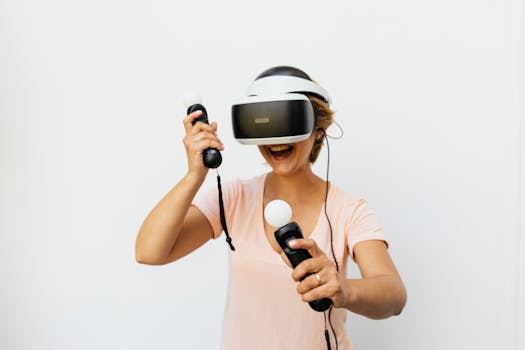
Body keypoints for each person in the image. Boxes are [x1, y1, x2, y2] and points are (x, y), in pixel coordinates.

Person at [135, 67, 407, 350]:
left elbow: (394, 295)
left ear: (318, 130)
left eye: (287, 123)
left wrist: (344, 289)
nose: (276, 140)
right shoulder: (234, 198)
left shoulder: (349, 210)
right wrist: (195, 175)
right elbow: (149, 252)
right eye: (267, 125)